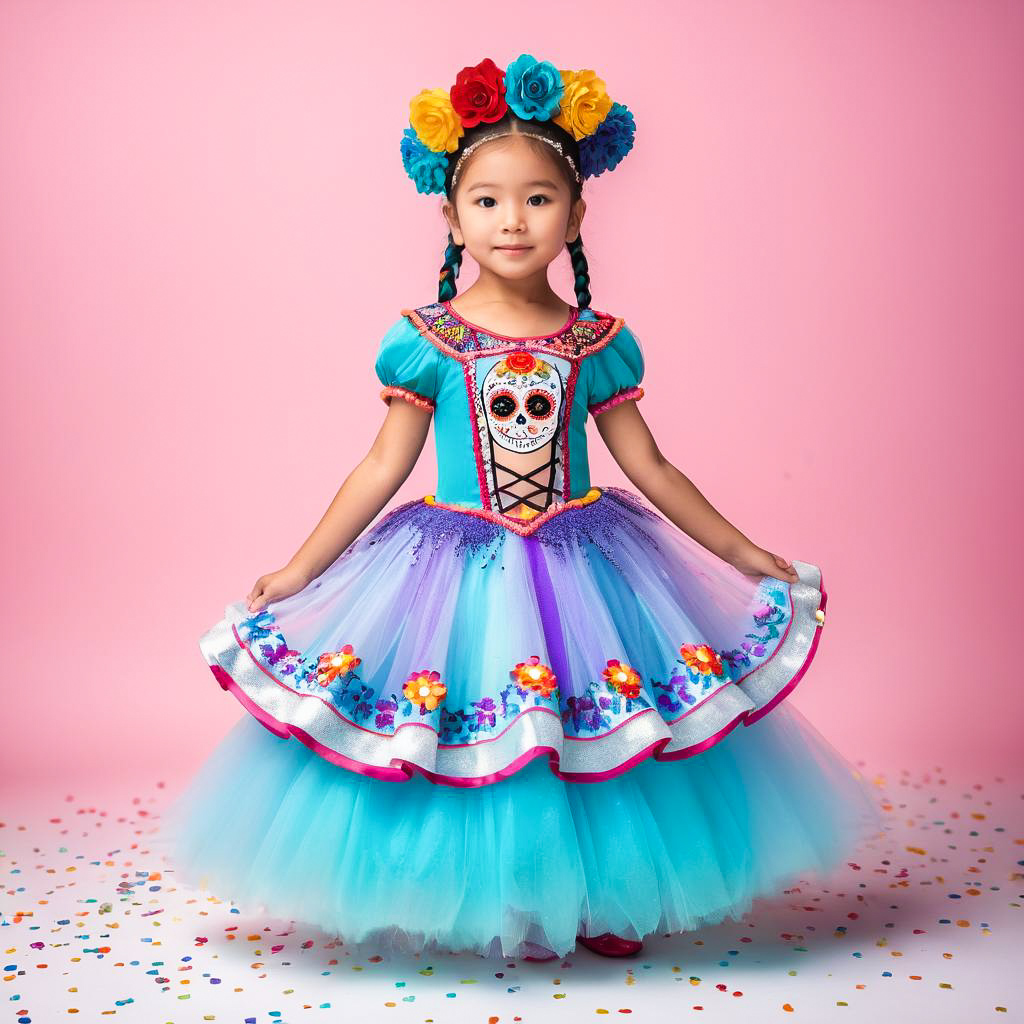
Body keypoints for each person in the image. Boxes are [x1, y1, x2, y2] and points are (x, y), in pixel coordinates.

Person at [158, 54, 883, 963]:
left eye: (538, 199)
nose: (513, 220)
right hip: (457, 566)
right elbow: (383, 464)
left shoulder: (598, 342)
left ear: (576, 213)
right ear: (452, 216)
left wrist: (741, 552)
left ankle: (613, 893)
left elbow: (650, 466)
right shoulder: (429, 341)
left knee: (599, 723)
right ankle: (523, 898)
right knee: (491, 726)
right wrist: (304, 568)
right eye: (489, 201)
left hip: (591, 560)